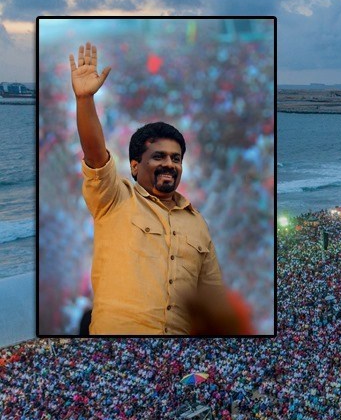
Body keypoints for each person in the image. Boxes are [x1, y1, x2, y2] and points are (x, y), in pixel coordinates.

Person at [68, 42, 224, 335]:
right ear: (135, 165)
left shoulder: (198, 223)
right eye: (159, 156)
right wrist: (85, 100)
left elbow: (212, 298)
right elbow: (94, 152)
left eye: (176, 158)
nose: (170, 164)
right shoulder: (113, 198)